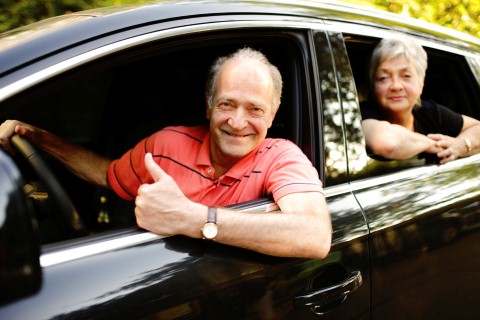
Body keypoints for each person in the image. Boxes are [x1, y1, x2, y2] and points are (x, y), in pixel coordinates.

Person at [0, 47, 331, 259]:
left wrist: (194, 219)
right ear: (207, 107)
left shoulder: (282, 157)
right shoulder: (165, 144)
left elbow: (314, 235)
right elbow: (105, 173)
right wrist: (39, 138)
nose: (237, 121)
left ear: (272, 115)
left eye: (255, 109)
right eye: (226, 104)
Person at [361, 35, 480, 164]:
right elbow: (386, 143)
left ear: (421, 83)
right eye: (383, 78)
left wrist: (461, 145)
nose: (395, 86)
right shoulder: (363, 114)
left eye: (406, 76)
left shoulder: (430, 113)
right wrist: (434, 145)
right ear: (373, 86)